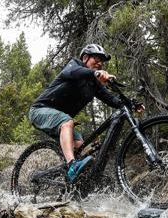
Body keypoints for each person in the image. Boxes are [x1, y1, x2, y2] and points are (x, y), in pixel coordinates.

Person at [28, 43, 125, 183]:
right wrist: (95, 73)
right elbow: (75, 72)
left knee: (81, 146)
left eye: (101, 62)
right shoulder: (74, 65)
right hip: (40, 110)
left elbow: (111, 99)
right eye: (96, 59)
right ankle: (72, 166)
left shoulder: (93, 85)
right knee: (67, 122)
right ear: (85, 58)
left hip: (60, 119)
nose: (99, 63)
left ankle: (71, 182)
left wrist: (130, 104)